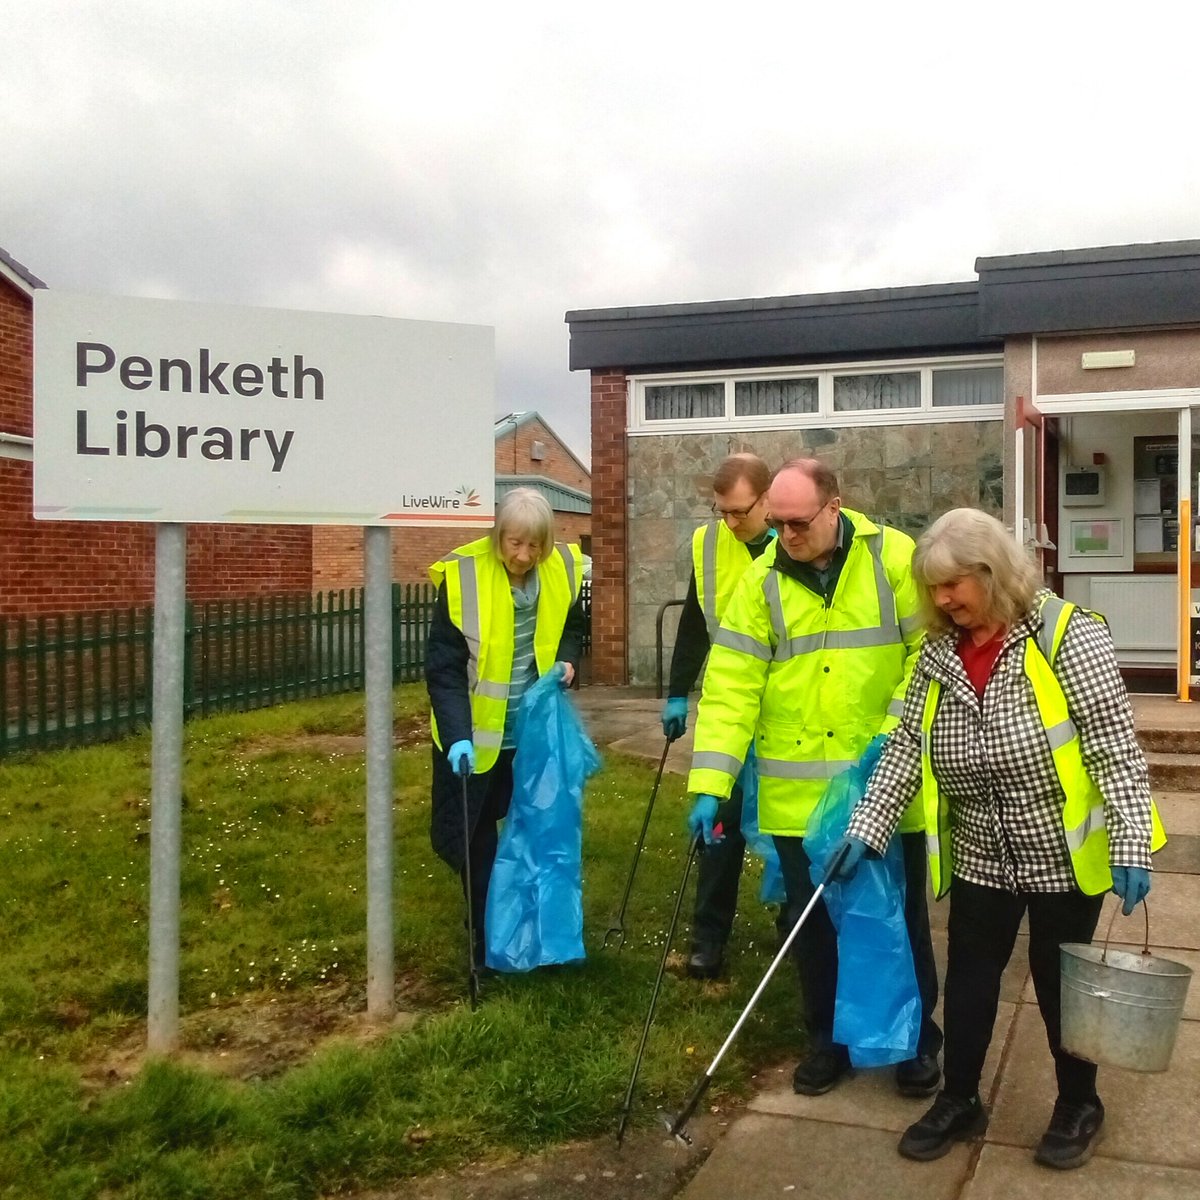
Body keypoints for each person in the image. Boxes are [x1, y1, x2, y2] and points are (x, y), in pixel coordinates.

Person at [830, 507, 1161, 1169]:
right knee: (972, 977)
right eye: (933, 588)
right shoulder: (937, 653)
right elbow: (904, 750)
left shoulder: (1065, 635)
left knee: (1057, 978)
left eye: (955, 584)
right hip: (983, 848)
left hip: (1060, 850)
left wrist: (1129, 841)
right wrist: (865, 828)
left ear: (994, 571)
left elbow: (1113, 749)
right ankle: (959, 1098)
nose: (943, 599)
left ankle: (1078, 1104)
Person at [688, 457, 942, 1097]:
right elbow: (730, 686)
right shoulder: (761, 579)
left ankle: (914, 1043)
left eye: (798, 523)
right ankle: (826, 1041)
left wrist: (892, 730)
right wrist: (711, 780)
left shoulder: (893, 560)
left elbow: (929, 653)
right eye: (777, 523)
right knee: (813, 928)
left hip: (883, 787)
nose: (786, 536)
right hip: (797, 798)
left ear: (835, 506)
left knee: (900, 920)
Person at [425, 488, 586, 966]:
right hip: (473, 739)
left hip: (534, 735)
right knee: (475, 842)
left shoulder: (562, 569)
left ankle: (537, 936)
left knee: (538, 832)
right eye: (514, 543)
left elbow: (574, 627)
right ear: (498, 535)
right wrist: (456, 737)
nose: (523, 556)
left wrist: (568, 661)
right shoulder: (463, 576)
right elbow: (444, 667)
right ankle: (485, 942)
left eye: (534, 546)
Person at [661, 452, 779, 979]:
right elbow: (693, 620)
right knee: (718, 824)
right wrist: (677, 692)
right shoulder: (709, 545)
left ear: (768, 500)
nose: (730, 524)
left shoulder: (797, 542)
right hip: (729, 707)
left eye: (741, 512)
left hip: (785, 711)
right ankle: (708, 938)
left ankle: (795, 924)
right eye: (721, 512)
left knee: (788, 829)